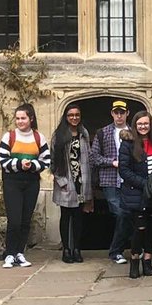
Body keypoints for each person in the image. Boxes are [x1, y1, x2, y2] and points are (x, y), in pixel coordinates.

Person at [0, 103, 51, 268]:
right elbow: (2, 160)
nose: (20, 121)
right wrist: (21, 164)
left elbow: (46, 160)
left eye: (23, 118)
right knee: (14, 220)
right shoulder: (9, 136)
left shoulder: (38, 137)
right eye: (18, 118)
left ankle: (20, 253)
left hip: (31, 182)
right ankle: (10, 254)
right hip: (12, 182)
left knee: (25, 220)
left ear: (31, 119)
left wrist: (32, 166)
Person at [118, 110, 152, 279]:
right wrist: (144, 184)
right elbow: (124, 170)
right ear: (135, 126)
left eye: (146, 124)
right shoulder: (128, 144)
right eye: (140, 124)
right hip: (136, 193)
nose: (143, 127)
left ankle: (148, 260)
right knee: (140, 229)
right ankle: (135, 259)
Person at [89, 99, 132, 264]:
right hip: (110, 180)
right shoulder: (103, 132)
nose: (119, 116)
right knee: (121, 213)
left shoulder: (134, 131)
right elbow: (94, 157)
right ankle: (117, 250)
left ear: (127, 113)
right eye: (116, 112)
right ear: (112, 113)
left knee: (129, 214)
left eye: (122, 112)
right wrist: (112, 162)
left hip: (130, 181)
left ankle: (123, 249)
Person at [50, 104, 92, 264]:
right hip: (66, 182)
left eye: (77, 115)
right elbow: (53, 161)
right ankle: (66, 249)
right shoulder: (59, 135)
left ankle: (77, 248)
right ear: (66, 117)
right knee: (66, 216)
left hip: (81, 181)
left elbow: (88, 157)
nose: (74, 118)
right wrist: (61, 181)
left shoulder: (84, 133)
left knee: (78, 217)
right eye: (70, 115)